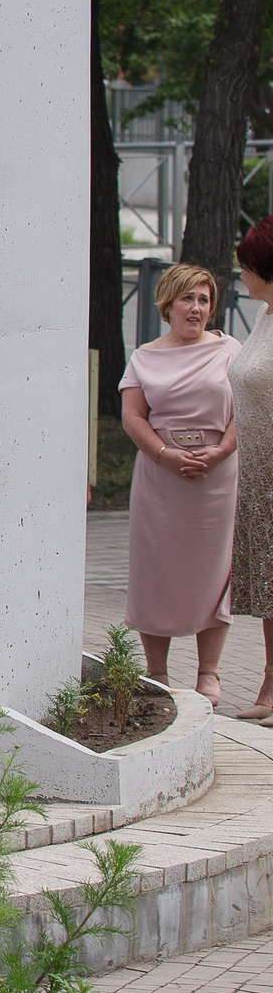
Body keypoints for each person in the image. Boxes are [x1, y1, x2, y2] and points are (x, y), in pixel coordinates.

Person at [120, 260, 240, 700]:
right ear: (167, 304)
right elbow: (133, 417)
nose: (196, 308)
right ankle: (157, 671)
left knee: (214, 571)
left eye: (204, 300)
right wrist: (165, 455)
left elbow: (247, 409)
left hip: (216, 476)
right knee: (155, 570)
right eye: (187, 298)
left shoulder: (229, 350)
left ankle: (209, 671)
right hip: (161, 475)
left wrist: (222, 450)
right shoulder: (144, 357)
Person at [227, 217, 273, 719]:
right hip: (259, 477)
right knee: (268, 587)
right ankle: (270, 684)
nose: (241, 274)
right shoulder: (263, 315)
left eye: (246, 265)